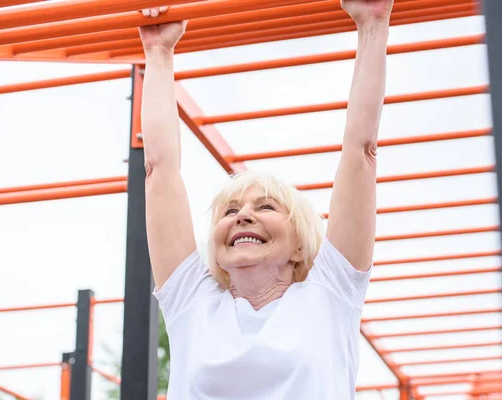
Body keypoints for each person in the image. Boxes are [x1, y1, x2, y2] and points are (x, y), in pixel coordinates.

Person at [139, 0, 393, 398]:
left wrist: (373, 24)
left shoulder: (331, 294)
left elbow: (361, 152)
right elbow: (158, 171)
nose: (243, 217)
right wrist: (158, 53)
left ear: (298, 245)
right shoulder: (192, 303)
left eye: (266, 207)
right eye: (231, 211)